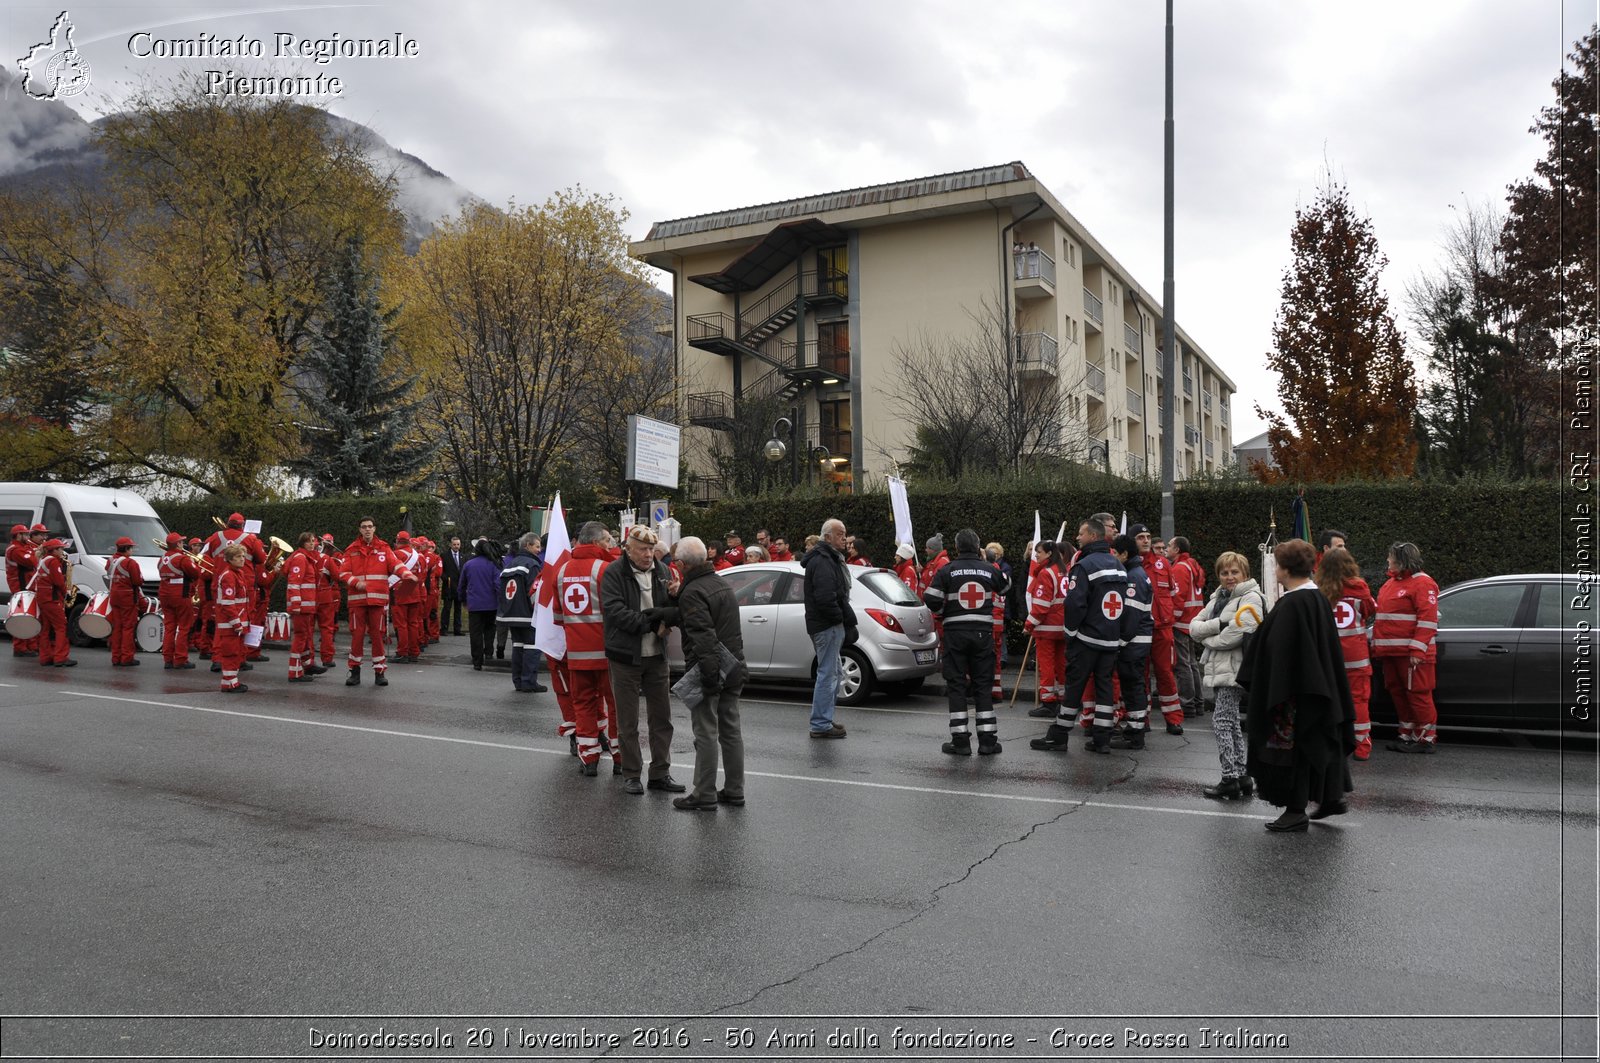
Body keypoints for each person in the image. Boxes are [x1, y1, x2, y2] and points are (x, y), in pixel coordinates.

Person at [1241, 539, 1356, 831]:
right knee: (1321, 736)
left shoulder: (1294, 603)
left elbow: (1279, 652)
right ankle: (1330, 796)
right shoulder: (1315, 597)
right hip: (1316, 685)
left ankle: (1295, 810)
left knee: (1297, 748)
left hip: (1295, 691)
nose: (1275, 570)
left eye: (1277, 565)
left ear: (1285, 568)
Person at [1031, 515, 1126, 754]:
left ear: (1093, 536)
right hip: (1110, 639)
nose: (1077, 537)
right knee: (1104, 689)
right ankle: (1101, 738)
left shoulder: (1084, 566)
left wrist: (1071, 634)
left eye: (1081, 533)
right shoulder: (1118, 565)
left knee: (1074, 687)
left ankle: (1059, 736)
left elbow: (1075, 605)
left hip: (1086, 639)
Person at [602, 524, 684, 796]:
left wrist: (675, 598)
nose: (649, 554)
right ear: (628, 549)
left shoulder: (662, 570)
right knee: (628, 721)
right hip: (625, 657)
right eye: (643, 549)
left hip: (657, 656)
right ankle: (631, 774)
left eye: (651, 549)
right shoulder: (614, 572)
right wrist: (653, 624)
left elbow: (673, 611)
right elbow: (616, 613)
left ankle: (660, 772)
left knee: (662, 718)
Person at [671, 536, 748, 811]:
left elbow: (703, 638)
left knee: (705, 732)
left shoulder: (693, 592)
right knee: (731, 730)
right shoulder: (721, 584)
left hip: (711, 668)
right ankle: (735, 790)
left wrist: (708, 678)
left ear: (681, 564)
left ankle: (704, 793)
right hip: (734, 665)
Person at [923, 528, 1009, 756]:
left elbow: (930, 597)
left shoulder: (947, 570)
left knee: (957, 685)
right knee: (983, 685)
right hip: (982, 635)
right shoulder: (988, 569)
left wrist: (943, 610)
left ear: (957, 547)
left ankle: (960, 741)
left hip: (955, 635)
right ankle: (988, 741)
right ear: (978, 546)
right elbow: (1006, 585)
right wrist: (986, 563)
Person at [1190, 551, 1265, 799]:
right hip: (1222, 668)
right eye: (1224, 572)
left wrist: (1209, 638)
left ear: (1245, 573)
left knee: (1221, 721)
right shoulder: (1217, 598)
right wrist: (1219, 625)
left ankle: (1229, 777)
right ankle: (1241, 776)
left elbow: (1237, 634)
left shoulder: (1252, 597)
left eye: (1235, 572)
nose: (1229, 577)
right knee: (1230, 721)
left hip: (1237, 669)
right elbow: (1193, 628)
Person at [556, 521, 620, 775]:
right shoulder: (605, 569)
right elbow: (615, 613)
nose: (609, 545)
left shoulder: (561, 572)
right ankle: (619, 757)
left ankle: (589, 758)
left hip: (576, 655)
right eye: (606, 541)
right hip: (606, 653)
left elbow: (559, 617)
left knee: (581, 705)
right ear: (595, 542)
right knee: (615, 705)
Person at [1373, 541, 1440, 754]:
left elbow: (1428, 620)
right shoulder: (1391, 584)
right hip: (1393, 653)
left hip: (1411, 655)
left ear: (1402, 561)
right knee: (1399, 694)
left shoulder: (1423, 583)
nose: (1387, 560)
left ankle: (1425, 738)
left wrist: (1417, 650)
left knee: (1418, 694)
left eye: (1391, 557)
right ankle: (1407, 734)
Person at [1317, 547, 1377, 760]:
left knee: (1330, 699)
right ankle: (1362, 745)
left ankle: (1334, 741)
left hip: (1329, 657)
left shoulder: (1320, 591)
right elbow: (1370, 611)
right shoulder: (1361, 588)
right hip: (1356, 657)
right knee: (1359, 700)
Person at [802, 518, 856, 739]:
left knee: (834, 672)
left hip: (826, 625)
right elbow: (826, 598)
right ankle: (820, 724)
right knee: (828, 674)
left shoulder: (827, 558)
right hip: (827, 626)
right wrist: (838, 619)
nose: (844, 537)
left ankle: (823, 718)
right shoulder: (824, 561)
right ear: (827, 537)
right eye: (839, 533)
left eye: (844, 533)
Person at [342, 517, 409, 687]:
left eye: (370, 527)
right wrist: (357, 583)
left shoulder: (384, 548)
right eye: (364, 527)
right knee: (357, 637)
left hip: (377, 601)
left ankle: (380, 672)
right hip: (358, 601)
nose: (367, 530)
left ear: (374, 528)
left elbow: (395, 564)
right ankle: (354, 672)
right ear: (360, 529)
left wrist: (405, 573)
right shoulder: (351, 550)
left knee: (378, 637)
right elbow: (343, 573)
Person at [1135, 525, 1184, 735]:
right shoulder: (1131, 565)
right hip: (1139, 629)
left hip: (1163, 629)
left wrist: (1171, 617)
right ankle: (1142, 718)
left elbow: (1174, 593)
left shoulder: (1163, 563)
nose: (1146, 540)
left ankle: (1173, 719)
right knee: (1141, 675)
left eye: (1147, 537)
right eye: (1141, 537)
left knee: (1165, 673)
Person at [1109, 534, 1152, 750]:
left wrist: (1120, 641)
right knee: (1132, 686)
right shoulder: (1134, 572)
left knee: (1133, 687)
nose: (1113, 557)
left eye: (1115, 553)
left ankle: (1135, 733)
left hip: (1134, 643)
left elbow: (1131, 616)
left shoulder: (1134, 577)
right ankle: (1134, 728)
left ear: (1125, 554)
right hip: (1136, 643)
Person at [1023, 541, 1069, 718]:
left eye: (1039, 552)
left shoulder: (1045, 573)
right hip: (1063, 628)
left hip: (1047, 629)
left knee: (1047, 666)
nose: (1036, 556)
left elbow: (1041, 606)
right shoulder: (1064, 570)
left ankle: (1048, 702)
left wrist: (1028, 625)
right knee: (1061, 665)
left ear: (1049, 554)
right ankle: (1064, 699)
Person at [498, 533, 547, 692]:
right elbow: (534, 592)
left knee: (518, 648)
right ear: (527, 546)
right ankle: (529, 682)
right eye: (537, 546)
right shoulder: (532, 564)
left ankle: (518, 680)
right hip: (527, 615)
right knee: (532, 648)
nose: (539, 550)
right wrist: (540, 613)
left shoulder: (510, 564)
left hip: (510, 615)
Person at [1168, 535, 1206, 718]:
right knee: (1192, 663)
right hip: (1194, 620)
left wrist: (1171, 619)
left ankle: (1187, 704)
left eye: (1169, 546)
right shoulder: (1193, 565)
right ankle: (1198, 703)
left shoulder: (1180, 568)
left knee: (1183, 664)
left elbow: (1178, 597)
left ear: (1177, 550)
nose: (1167, 549)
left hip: (1182, 621)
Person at [282, 532, 325, 682]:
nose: (312, 544)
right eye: (308, 542)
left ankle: (307, 664)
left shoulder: (307, 558)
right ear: (302, 543)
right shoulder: (301, 558)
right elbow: (294, 583)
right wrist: (296, 605)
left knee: (305, 636)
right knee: (300, 637)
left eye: (313, 541)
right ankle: (294, 672)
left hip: (306, 606)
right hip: (301, 607)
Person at [156, 532, 200, 670]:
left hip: (164, 594)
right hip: (180, 594)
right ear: (178, 544)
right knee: (184, 627)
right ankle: (181, 659)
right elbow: (196, 573)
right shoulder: (182, 558)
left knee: (169, 627)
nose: (183, 544)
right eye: (181, 542)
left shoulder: (162, 558)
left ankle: (168, 659)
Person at [213, 543, 252, 693]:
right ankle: (230, 683)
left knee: (236, 653)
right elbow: (228, 603)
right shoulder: (229, 575)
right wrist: (237, 624)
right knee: (230, 653)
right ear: (229, 559)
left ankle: (230, 682)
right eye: (238, 557)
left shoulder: (237, 573)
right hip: (229, 624)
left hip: (235, 622)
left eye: (243, 556)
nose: (242, 559)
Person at [460, 539, 502, 670]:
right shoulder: (494, 564)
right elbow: (498, 585)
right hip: (491, 604)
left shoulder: (469, 564)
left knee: (476, 633)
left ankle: (477, 660)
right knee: (490, 629)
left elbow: (462, 584)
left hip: (475, 604)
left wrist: (463, 600)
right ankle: (488, 652)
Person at [31, 538, 74, 667]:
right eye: (60, 549)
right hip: (52, 599)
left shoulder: (43, 560)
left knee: (46, 628)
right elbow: (59, 582)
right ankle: (60, 657)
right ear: (54, 550)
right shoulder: (53, 562)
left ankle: (45, 657)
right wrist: (66, 592)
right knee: (61, 627)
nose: (62, 551)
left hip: (43, 598)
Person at [105, 536, 143, 666]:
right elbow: (138, 581)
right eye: (131, 548)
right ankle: (127, 657)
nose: (132, 550)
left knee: (117, 627)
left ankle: (116, 657)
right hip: (127, 596)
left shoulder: (110, 561)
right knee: (128, 627)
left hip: (114, 595)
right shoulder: (130, 563)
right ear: (126, 549)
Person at [389, 531, 425, 663]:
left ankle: (402, 652)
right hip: (414, 591)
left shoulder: (395, 554)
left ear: (398, 541)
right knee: (413, 624)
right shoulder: (418, 555)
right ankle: (414, 652)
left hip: (400, 592)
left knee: (401, 625)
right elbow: (422, 575)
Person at [6, 523, 39, 657]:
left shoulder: (25, 547)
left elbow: (33, 556)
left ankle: (31, 646)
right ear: (18, 535)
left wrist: (34, 551)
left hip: (27, 585)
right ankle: (20, 647)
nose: (27, 536)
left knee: (30, 616)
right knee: (21, 617)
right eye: (25, 534)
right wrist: (36, 553)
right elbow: (31, 561)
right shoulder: (15, 549)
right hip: (20, 586)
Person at [315, 534, 343, 670]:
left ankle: (307, 659)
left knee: (307, 630)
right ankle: (327, 658)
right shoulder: (326, 559)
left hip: (309, 595)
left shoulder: (302, 557)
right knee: (327, 628)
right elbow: (337, 576)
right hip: (325, 594)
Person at [441, 536, 466, 635]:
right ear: (451, 545)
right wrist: (446, 579)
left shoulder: (463, 556)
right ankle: (444, 629)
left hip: (459, 587)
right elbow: (441, 570)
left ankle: (457, 630)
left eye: (458, 544)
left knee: (458, 609)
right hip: (448, 586)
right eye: (454, 544)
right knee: (446, 609)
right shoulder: (444, 556)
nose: (456, 546)